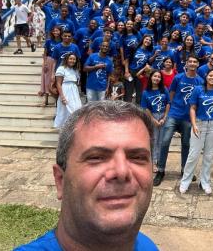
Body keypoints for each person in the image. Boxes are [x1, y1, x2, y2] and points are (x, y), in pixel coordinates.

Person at [15, 101, 158, 250]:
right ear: (60, 181)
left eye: (137, 157)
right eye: (96, 157)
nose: (122, 172)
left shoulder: (147, 246)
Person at [153, 55, 204, 186]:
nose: (192, 63)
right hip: (174, 114)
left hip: (188, 118)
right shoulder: (178, 77)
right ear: (186, 64)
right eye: (190, 61)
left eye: (195, 61)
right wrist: (169, 110)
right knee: (164, 141)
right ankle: (161, 170)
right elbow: (171, 94)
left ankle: (184, 170)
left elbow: (200, 100)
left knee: (186, 144)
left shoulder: (200, 81)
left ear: (197, 64)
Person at [180, 69, 213, 194]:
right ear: (206, 76)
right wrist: (194, 124)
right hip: (200, 125)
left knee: (208, 156)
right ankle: (186, 181)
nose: (212, 77)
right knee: (193, 155)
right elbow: (192, 108)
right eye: (210, 75)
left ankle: (204, 182)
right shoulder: (198, 89)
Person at [141, 70, 170, 171]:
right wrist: (153, 119)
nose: (156, 78)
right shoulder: (146, 92)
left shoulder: (164, 89)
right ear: (151, 77)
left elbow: (168, 103)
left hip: (163, 116)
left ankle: (160, 161)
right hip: (152, 116)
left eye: (159, 77)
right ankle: (152, 162)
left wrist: (165, 117)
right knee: (153, 140)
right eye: (155, 76)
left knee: (162, 141)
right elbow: (145, 108)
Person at [53, 53, 82, 128]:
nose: (72, 61)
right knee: (64, 111)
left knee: (76, 109)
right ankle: (63, 130)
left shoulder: (75, 70)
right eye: (70, 59)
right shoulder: (61, 69)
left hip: (74, 92)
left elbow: (76, 84)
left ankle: (72, 129)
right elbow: (58, 84)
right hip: (65, 91)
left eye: (74, 59)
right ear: (67, 59)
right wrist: (62, 97)